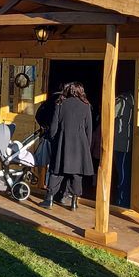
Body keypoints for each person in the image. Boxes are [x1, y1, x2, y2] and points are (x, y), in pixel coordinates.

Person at [40, 82, 94, 211]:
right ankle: (74, 202)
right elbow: (89, 128)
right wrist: (86, 146)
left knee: (56, 171)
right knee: (76, 174)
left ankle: (49, 200)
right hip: (80, 144)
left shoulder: (60, 103)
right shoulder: (86, 105)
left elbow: (54, 127)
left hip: (62, 141)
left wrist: (53, 139)